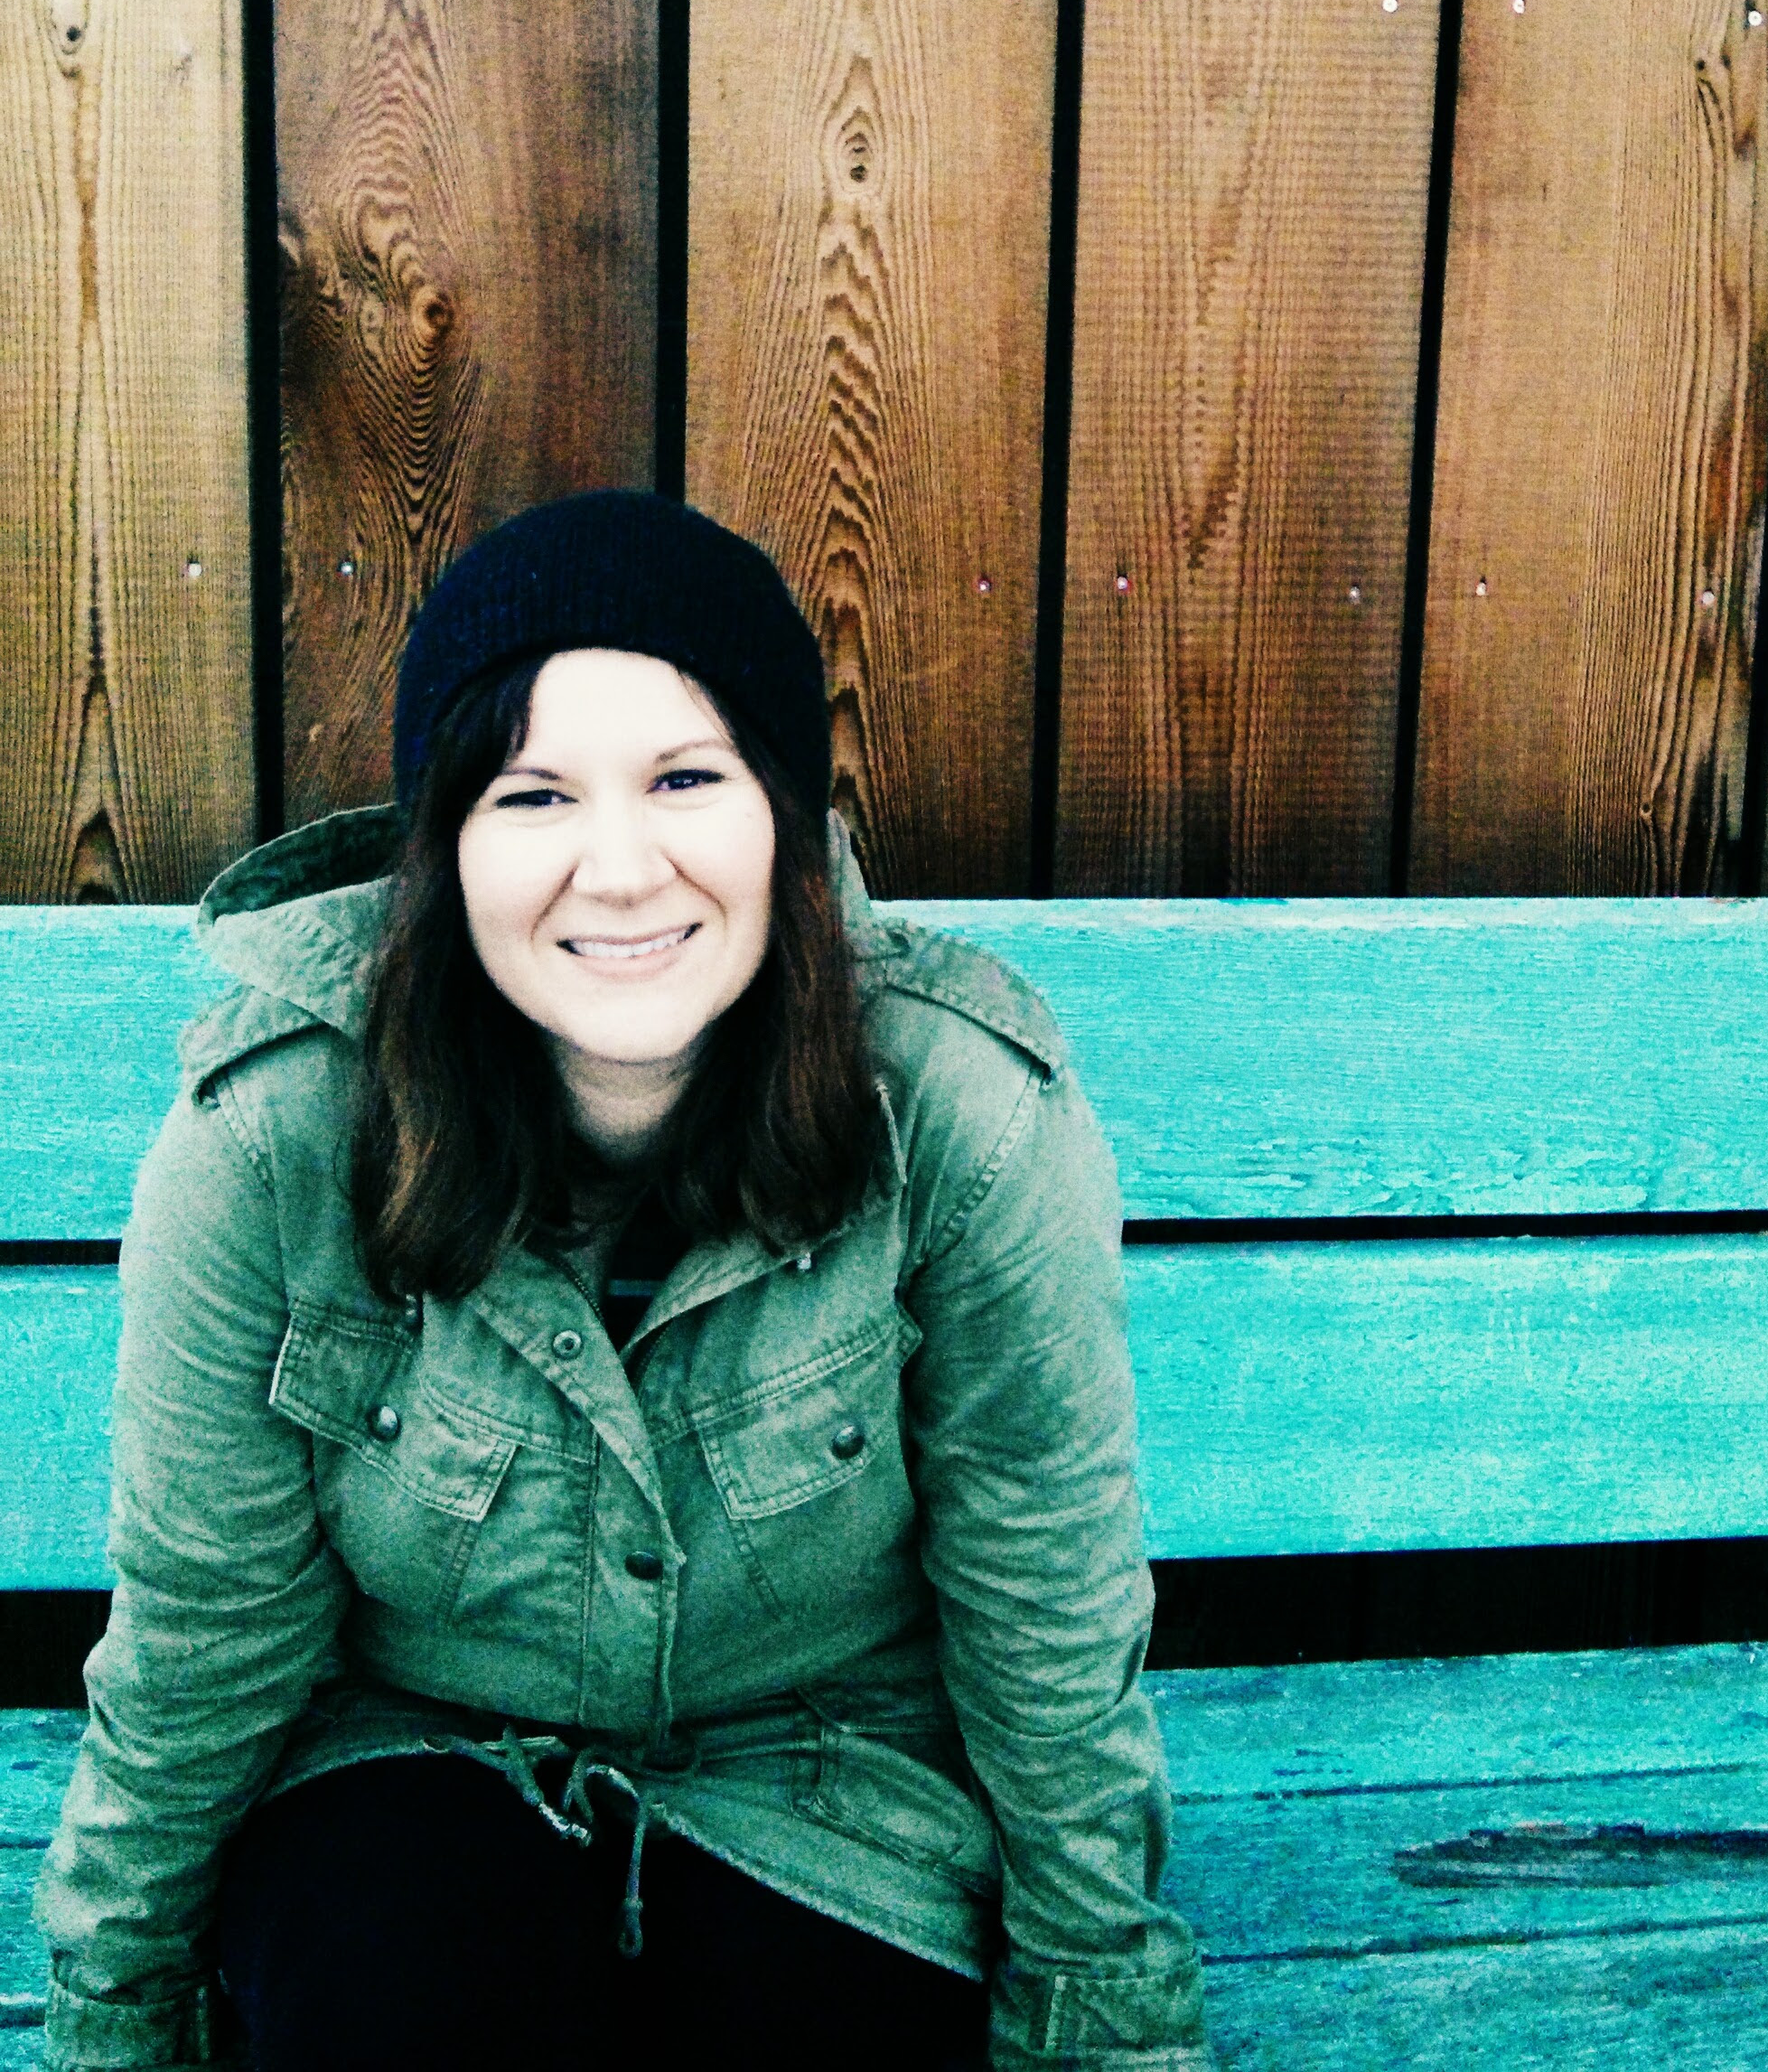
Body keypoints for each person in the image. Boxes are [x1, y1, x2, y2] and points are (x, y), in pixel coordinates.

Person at [35, 490, 1211, 2069]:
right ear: (446, 845)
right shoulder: (273, 1139)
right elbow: (204, 1632)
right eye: (532, 795)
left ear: (781, 812)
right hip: (411, 1770)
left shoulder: (961, 1115)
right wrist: (117, 2019)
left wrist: (1103, 2022)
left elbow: (1047, 1608)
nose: (619, 870)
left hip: (829, 1783)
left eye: (684, 779)